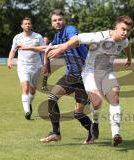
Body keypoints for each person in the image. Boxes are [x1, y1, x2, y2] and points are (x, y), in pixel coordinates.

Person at [45, 15, 132, 147]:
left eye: (128, 30)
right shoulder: (100, 36)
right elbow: (77, 39)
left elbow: (127, 46)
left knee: (115, 95)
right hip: (90, 72)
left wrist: (129, 58)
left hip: (107, 72)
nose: (125, 33)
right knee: (96, 102)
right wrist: (62, 48)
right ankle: (95, 124)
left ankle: (116, 134)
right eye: (123, 29)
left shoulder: (124, 40)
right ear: (116, 27)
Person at [39, 9, 98, 144]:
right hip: (70, 75)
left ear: (64, 20)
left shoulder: (70, 29)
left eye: (60, 19)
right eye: (54, 20)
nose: (57, 22)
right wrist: (26, 48)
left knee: (78, 113)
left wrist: (61, 49)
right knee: (52, 97)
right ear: (51, 23)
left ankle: (92, 132)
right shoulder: (58, 36)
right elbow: (47, 48)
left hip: (85, 76)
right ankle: (56, 133)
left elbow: (74, 40)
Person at [7, 17, 45, 120]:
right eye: (25, 24)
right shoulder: (17, 37)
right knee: (25, 87)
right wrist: (9, 60)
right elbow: (13, 50)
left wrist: (45, 64)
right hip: (23, 66)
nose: (27, 25)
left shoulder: (38, 37)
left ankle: (29, 103)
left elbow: (44, 49)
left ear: (31, 25)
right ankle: (27, 111)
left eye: (29, 23)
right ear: (22, 26)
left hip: (36, 67)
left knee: (33, 91)